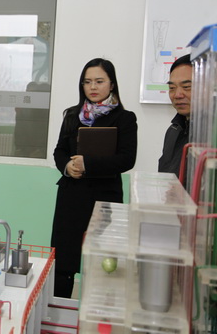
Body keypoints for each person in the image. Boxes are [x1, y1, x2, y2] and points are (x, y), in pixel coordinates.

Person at [51, 58, 137, 298]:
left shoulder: (125, 118)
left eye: (99, 81)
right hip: (71, 196)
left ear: (112, 84)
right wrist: (67, 166)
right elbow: (59, 151)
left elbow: (127, 159)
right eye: (87, 82)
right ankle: (57, 311)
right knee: (63, 262)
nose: (93, 87)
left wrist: (87, 164)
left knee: (103, 262)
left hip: (105, 198)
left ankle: (98, 312)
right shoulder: (72, 115)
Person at [158, 54, 192, 177]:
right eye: (172, 88)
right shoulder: (174, 130)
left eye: (186, 87)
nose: (177, 95)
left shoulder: (210, 136)